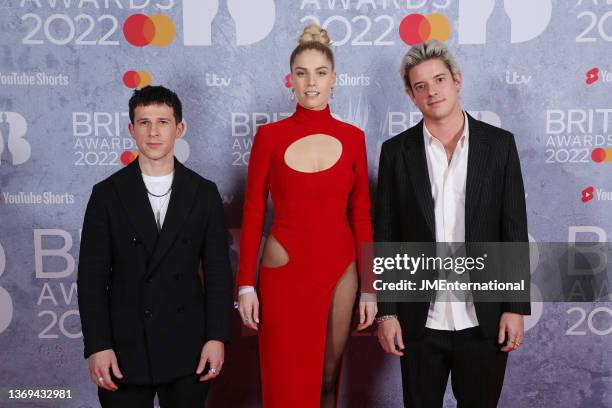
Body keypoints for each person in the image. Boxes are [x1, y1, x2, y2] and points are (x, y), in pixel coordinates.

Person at [375, 40, 531, 407]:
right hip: (418, 322)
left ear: (457, 80)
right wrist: (387, 311)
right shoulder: (395, 152)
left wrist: (514, 306)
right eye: (420, 86)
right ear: (411, 96)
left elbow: (513, 229)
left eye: (439, 79)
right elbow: (387, 235)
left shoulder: (499, 145)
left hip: (485, 318)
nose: (432, 91)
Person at [236, 25, 377, 408]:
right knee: (286, 381)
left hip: (340, 269)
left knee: (328, 377)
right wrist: (245, 285)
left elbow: (361, 216)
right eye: (301, 73)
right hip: (284, 271)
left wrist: (370, 287)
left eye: (319, 73)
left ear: (334, 79)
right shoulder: (269, 136)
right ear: (290, 80)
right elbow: (252, 212)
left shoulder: (353, 138)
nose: (310, 82)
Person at [77, 85, 233, 408]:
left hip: (188, 345)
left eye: (162, 122)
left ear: (180, 128)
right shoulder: (107, 195)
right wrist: (98, 345)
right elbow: (91, 280)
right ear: (132, 129)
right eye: (144, 122)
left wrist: (216, 337)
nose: (153, 132)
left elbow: (219, 273)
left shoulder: (203, 193)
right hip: (122, 349)